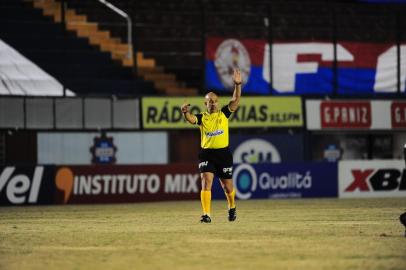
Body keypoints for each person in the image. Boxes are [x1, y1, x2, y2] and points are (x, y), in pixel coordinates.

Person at [181, 69, 242, 223]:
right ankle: (206, 214)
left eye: (215, 101)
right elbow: (191, 118)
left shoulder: (224, 114)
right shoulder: (202, 117)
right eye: (210, 101)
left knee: (227, 187)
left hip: (223, 154)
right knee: (205, 181)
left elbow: (235, 100)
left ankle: (232, 207)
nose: (213, 103)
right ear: (205, 103)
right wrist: (185, 113)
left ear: (218, 102)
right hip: (207, 154)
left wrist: (237, 85)